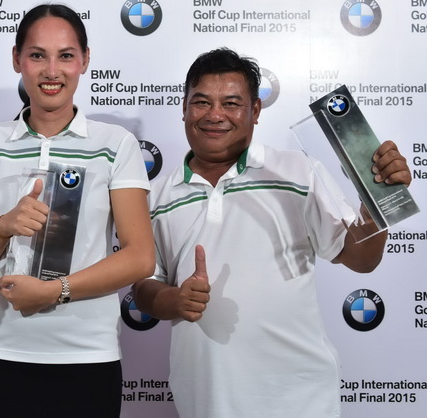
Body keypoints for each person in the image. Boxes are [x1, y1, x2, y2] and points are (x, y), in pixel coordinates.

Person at [133, 47, 412, 418]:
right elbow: (145, 287)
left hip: (300, 400)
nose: (215, 115)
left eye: (231, 103)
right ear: (184, 108)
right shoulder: (155, 197)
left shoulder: (296, 171)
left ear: (256, 111)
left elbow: (361, 258)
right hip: (205, 400)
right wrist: (175, 300)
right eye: (201, 102)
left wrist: (377, 200)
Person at [0, 4, 155, 417]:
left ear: (85, 60)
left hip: (86, 352)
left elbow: (140, 257)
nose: (52, 71)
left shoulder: (114, 144)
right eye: (37, 55)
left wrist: (54, 291)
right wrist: (3, 227)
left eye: (66, 56)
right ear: (17, 59)